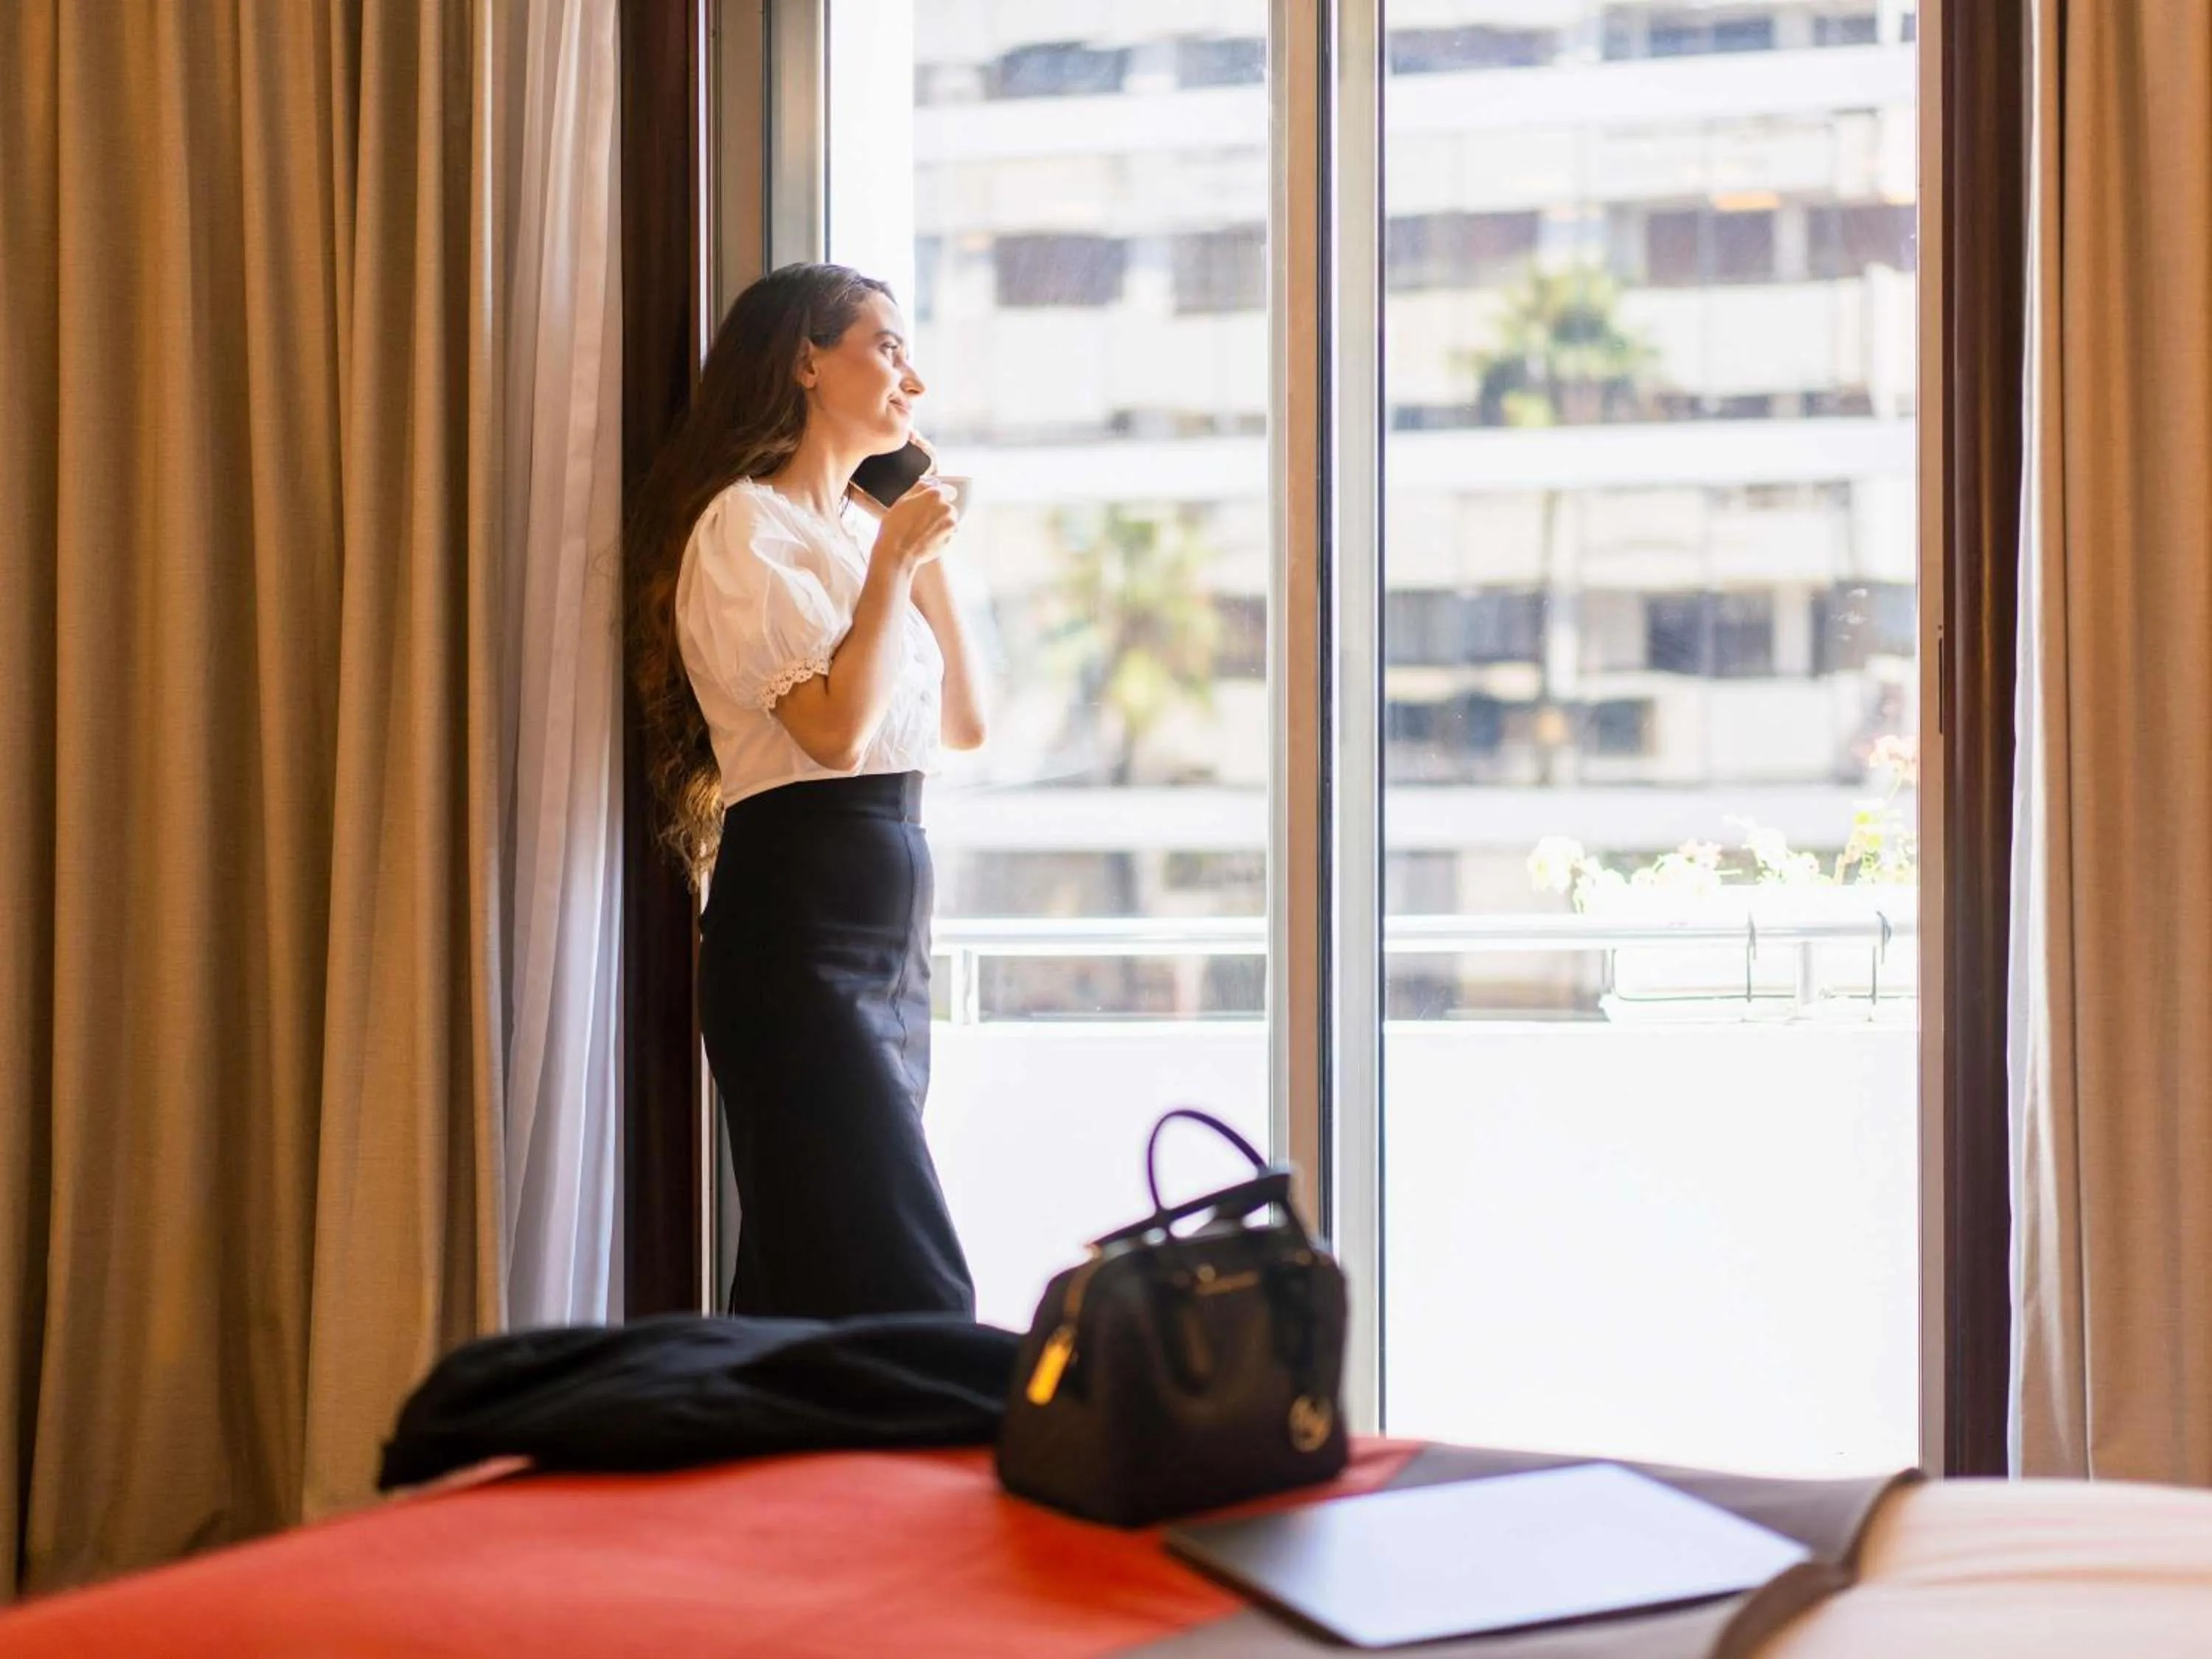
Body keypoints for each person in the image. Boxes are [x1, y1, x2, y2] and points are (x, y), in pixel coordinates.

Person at [625, 263, 987, 1318]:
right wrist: (888, 567)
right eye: (886, 345)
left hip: (888, 946)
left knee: (806, 1288)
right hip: (798, 939)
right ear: (804, 360)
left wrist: (921, 555)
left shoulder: (847, 538)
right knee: (905, 1284)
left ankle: (749, 1477)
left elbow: (965, 722)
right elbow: (833, 732)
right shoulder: (746, 529)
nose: (909, 379)